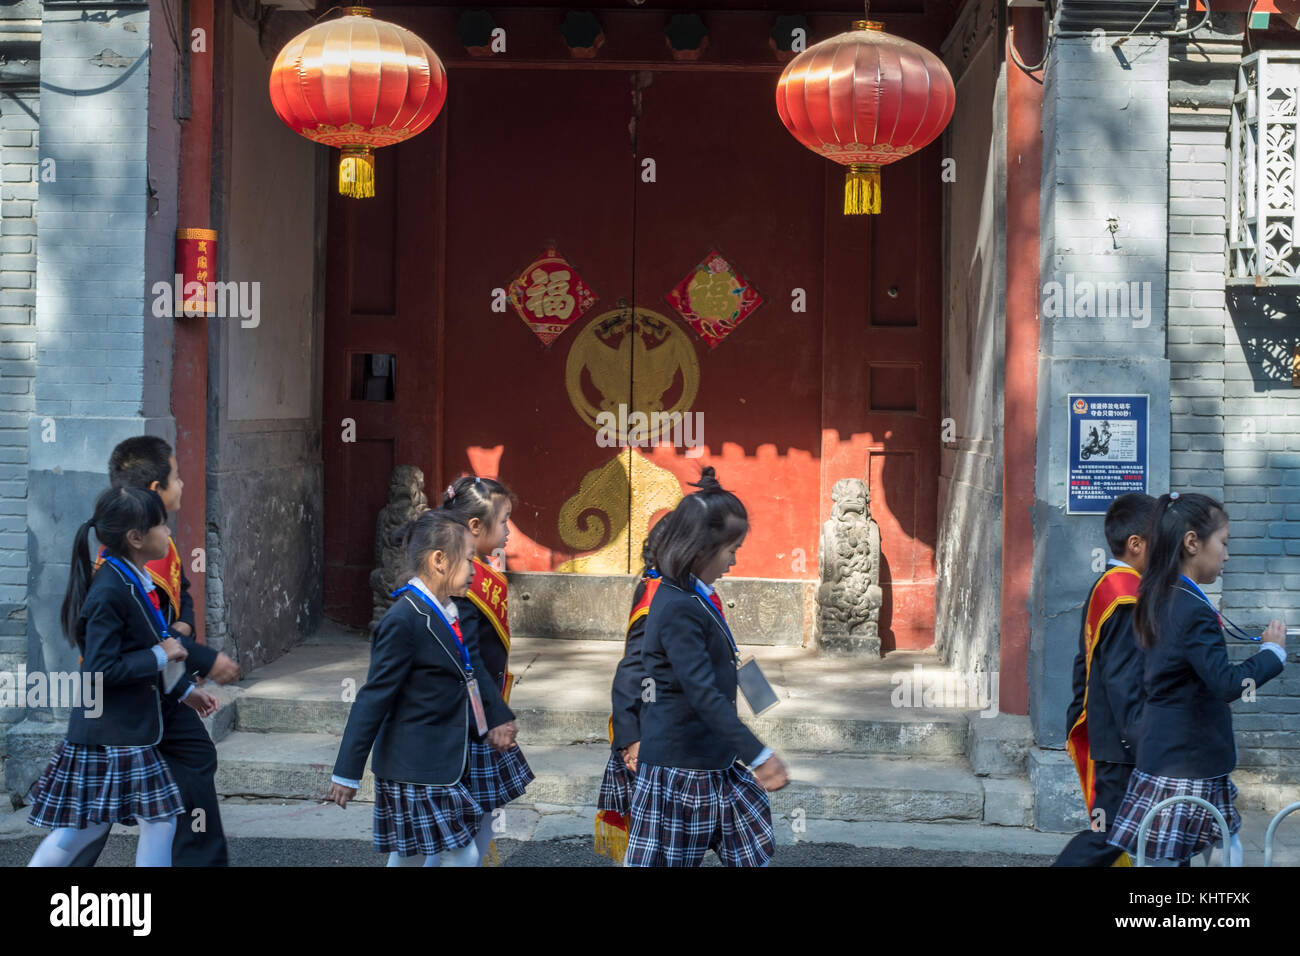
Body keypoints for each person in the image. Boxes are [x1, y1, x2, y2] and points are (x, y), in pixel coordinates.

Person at [69, 435, 241, 867]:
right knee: (90, 816)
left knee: (164, 799)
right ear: (153, 493)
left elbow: (176, 610)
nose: (182, 485)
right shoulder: (135, 560)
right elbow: (150, 638)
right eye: (176, 477)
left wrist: (180, 657)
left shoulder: (149, 548)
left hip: (151, 685)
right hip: (124, 697)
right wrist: (195, 658)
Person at [27, 486, 219, 867]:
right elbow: (101, 669)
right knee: (93, 828)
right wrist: (158, 654)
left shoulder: (131, 580)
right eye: (162, 526)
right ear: (135, 538)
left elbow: (139, 645)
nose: (169, 534)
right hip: (110, 732)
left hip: (120, 730)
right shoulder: (111, 590)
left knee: (117, 824)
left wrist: (181, 691)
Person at [1106, 492, 1287, 866]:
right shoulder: (1190, 608)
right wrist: (1272, 655)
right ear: (1192, 542)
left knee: (1204, 853)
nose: (1227, 555)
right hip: (1188, 763)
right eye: (1223, 543)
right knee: (1197, 857)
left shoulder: (1160, 595)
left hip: (1171, 755)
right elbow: (1224, 684)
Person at [624, 467, 789, 868]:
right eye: (730, 550)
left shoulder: (693, 596)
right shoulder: (677, 606)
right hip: (680, 769)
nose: (733, 562)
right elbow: (702, 694)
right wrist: (759, 754)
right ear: (700, 550)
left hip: (713, 761)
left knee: (754, 856)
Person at [327, 509, 511, 867]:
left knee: (409, 856)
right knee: (464, 855)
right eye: (469, 560)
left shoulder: (447, 610)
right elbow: (373, 699)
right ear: (439, 560)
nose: (475, 569)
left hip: (438, 760)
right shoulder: (404, 619)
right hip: (416, 765)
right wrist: (346, 771)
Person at [1054, 492, 1156, 867]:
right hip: (1119, 742)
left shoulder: (1108, 585)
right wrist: (1143, 741)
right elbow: (1124, 681)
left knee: (1120, 836)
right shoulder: (1124, 596)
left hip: (1110, 735)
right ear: (1136, 544)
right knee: (1109, 836)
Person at [442, 476, 530, 865]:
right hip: (464, 719)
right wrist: (493, 715)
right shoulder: (460, 581)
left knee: (476, 822)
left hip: (480, 712)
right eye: (506, 520)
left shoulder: (474, 571)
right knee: (462, 831)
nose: (510, 530)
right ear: (475, 527)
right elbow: (470, 661)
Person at [594, 521, 666, 862]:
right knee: (649, 838)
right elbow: (631, 672)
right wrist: (631, 738)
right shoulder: (657, 595)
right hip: (648, 735)